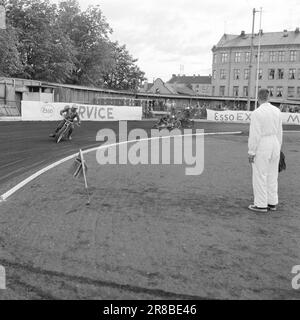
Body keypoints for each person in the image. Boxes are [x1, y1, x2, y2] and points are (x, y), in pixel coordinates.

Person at [248, 89, 283, 212]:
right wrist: (279, 147)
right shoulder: (277, 111)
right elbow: (280, 132)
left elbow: (255, 134)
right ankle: (272, 202)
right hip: (275, 143)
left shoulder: (257, 113)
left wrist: (251, 151)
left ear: (258, 98)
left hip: (263, 144)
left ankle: (261, 204)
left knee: (260, 174)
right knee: (273, 175)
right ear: (268, 97)